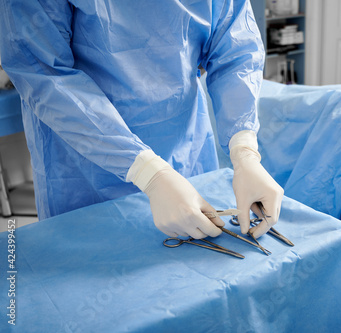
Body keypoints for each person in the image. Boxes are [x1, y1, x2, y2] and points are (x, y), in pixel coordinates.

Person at [0, 0, 283, 239]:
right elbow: (45, 73)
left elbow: (234, 51)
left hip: (188, 150)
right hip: (86, 169)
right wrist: (149, 173)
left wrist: (244, 150)